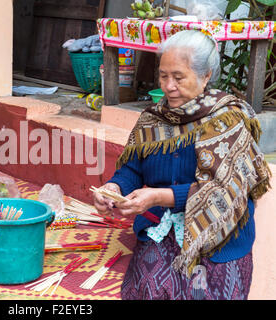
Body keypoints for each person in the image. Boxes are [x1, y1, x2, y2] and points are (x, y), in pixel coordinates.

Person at [93, 30, 271, 300]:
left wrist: (158, 196)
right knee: (147, 289)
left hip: (217, 239)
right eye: (163, 76)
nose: (168, 86)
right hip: (161, 230)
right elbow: (132, 167)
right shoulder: (152, 118)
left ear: (206, 76)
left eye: (178, 77)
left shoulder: (228, 120)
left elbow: (224, 193)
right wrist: (113, 187)